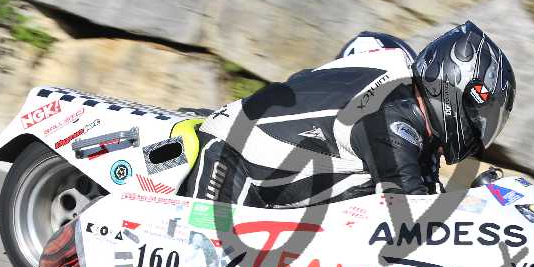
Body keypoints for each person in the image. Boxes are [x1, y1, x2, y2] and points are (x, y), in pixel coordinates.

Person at [184, 22, 516, 207]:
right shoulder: (393, 115)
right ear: (455, 87)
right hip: (230, 165)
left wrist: (475, 201)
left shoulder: (413, 114)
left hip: (262, 179)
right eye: (479, 116)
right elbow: (411, 214)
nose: (478, 129)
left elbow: (428, 200)